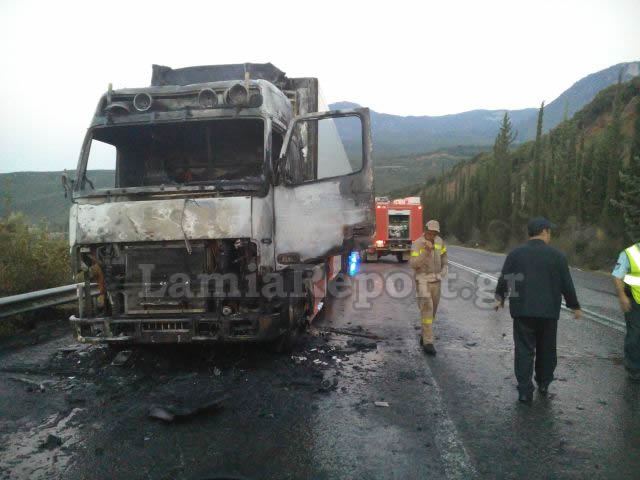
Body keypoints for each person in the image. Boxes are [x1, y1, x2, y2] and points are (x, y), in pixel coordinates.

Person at [495, 217, 582, 404]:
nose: (550, 235)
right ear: (544, 231)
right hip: (548, 313)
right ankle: (543, 382)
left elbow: (506, 278)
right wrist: (574, 305)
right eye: (550, 231)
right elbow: (567, 284)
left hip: (523, 311)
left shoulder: (516, 254)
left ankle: (525, 391)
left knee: (524, 350)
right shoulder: (557, 256)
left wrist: (500, 297)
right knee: (546, 349)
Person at [410, 219, 448, 355]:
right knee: (427, 308)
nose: (432, 236)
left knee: (432, 312)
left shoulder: (440, 242)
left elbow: (444, 258)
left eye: (435, 233)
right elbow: (414, 264)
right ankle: (428, 343)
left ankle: (425, 334)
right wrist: (425, 252)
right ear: (425, 231)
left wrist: (444, 270)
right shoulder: (417, 244)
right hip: (423, 280)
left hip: (436, 281)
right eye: (430, 233)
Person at [612, 241, 640, 382]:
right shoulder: (630, 253)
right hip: (635, 301)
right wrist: (622, 296)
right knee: (635, 334)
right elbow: (617, 276)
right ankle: (633, 368)